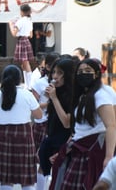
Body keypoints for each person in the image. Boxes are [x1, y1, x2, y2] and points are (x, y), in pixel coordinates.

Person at [49, 58, 116, 190]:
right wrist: (66, 147)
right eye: (80, 71)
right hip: (78, 147)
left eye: (87, 71)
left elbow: (111, 126)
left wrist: (108, 157)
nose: (83, 74)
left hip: (92, 150)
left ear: (96, 74)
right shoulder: (82, 96)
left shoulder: (101, 95)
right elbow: (76, 127)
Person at [0, 64, 43, 190]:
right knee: (26, 178)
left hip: (2, 136)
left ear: (3, 78)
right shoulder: (27, 95)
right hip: (24, 136)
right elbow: (39, 115)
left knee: (6, 177)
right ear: (19, 78)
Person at [36, 57, 74, 190]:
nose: (55, 76)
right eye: (54, 72)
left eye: (60, 73)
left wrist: (54, 98)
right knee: (42, 168)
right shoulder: (57, 92)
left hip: (66, 141)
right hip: (51, 137)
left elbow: (66, 123)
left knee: (61, 175)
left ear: (68, 75)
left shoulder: (73, 95)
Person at [8, 4, 35, 90]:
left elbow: (14, 34)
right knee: (24, 64)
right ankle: (27, 85)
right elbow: (31, 35)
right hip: (26, 40)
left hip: (21, 41)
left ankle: (30, 84)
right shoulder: (29, 20)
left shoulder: (20, 21)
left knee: (25, 63)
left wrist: (11, 25)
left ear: (22, 12)